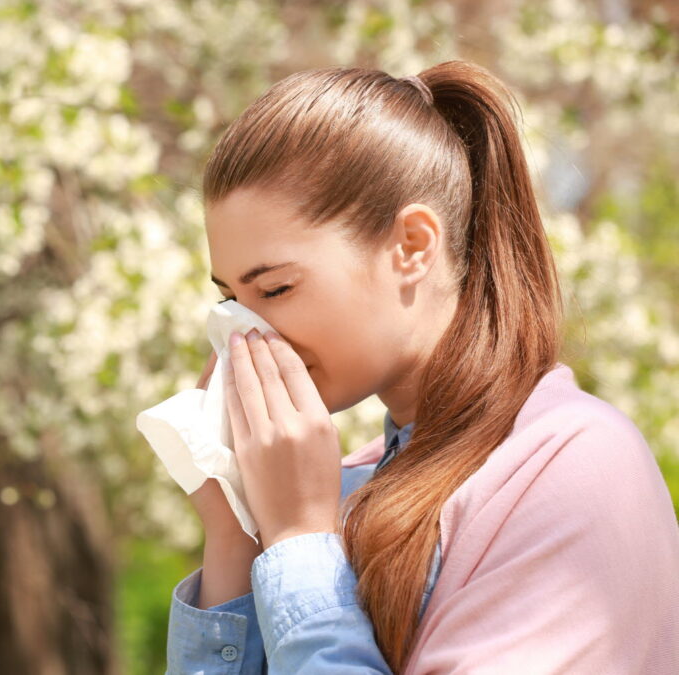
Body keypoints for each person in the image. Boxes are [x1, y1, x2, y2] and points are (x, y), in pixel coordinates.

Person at [163, 60, 679, 674]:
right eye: (230, 300)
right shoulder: (343, 490)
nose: (245, 334)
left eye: (274, 290)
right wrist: (236, 532)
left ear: (411, 246)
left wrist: (300, 543)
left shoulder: (569, 466)